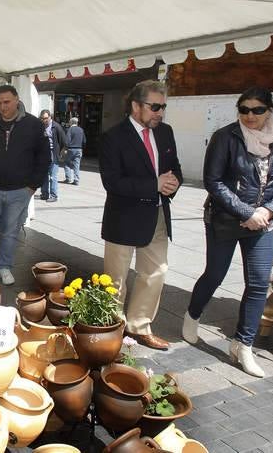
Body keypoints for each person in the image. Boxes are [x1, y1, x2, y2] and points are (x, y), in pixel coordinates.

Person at [183, 87, 273, 377]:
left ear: (269, 111)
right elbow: (214, 181)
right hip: (224, 219)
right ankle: (192, 315)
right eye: (244, 109)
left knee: (259, 283)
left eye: (257, 109)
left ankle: (242, 345)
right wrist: (248, 213)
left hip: (262, 223)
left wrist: (267, 212)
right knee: (215, 274)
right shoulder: (226, 137)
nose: (250, 115)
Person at [100, 80, 182, 351]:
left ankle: (139, 326)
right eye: (154, 106)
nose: (160, 112)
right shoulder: (113, 137)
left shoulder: (166, 132)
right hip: (123, 218)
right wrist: (153, 185)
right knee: (116, 279)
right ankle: (112, 326)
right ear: (136, 106)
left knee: (155, 273)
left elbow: (174, 169)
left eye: (163, 107)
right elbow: (112, 182)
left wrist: (173, 184)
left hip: (157, 215)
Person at [0, 85, 49, 285]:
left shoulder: (33, 125)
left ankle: (4, 267)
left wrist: (33, 185)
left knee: (10, 231)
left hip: (20, 190)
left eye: (7, 102)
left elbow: (44, 157)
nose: (3, 107)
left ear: (16, 100)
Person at [37, 109, 66, 203]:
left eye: (45, 118)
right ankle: (44, 194)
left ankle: (54, 195)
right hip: (43, 154)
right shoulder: (40, 126)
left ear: (50, 117)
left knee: (53, 176)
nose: (44, 120)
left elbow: (63, 141)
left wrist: (59, 153)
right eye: (42, 118)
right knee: (44, 175)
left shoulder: (56, 127)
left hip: (53, 154)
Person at [63, 117, 86, 185]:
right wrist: (82, 148)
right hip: (79, 149)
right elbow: (84, 141)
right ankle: (76, 180)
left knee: (67, 163)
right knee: (77, 165)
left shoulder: (70, 129)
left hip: (71, 149)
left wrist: (65, 149)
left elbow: (67, 140)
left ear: (71, 122)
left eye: (69, 122)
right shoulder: (81, 130)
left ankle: (68, 178)